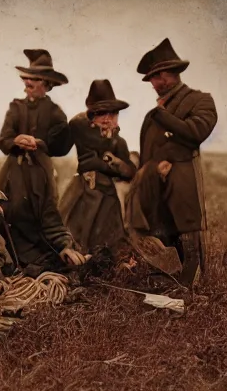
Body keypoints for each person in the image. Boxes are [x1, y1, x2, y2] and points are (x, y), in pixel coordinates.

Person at [129, 38, 218, 287]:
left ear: (177, 73)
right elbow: (147, 152)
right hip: (155, 185)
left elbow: (196, 132)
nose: (159, 82)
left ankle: (193, 285)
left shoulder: (200, 100)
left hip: (182, 179)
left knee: (188, 231)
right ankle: (170, 280)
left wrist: (162, 115)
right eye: (154, 78)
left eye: (164, 75)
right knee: (161, 229)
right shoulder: (152, 114)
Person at [0, 48, 86, 276]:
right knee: (8, 211)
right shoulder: (16, 107)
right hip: (14, 170)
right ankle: (12, 261)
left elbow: (60, 147)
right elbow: (3, 140)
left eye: (32, 79)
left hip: (40, 171)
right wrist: (16, 140)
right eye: (25, 78)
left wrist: (40, 143)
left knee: (43, 211)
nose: (26, 83)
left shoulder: (55, 113)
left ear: (45, 83)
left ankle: (49, 255)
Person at [58, 80, 137, 255]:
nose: (107, 118)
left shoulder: (119, 142)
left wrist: (116, 163)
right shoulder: (79, 127)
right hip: (81, 192)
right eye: (101, 113)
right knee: (73, 231)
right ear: (91, 115)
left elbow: (130, 172)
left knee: (107, 241)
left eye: (112, 114)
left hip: (106, 196)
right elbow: (67, 151)